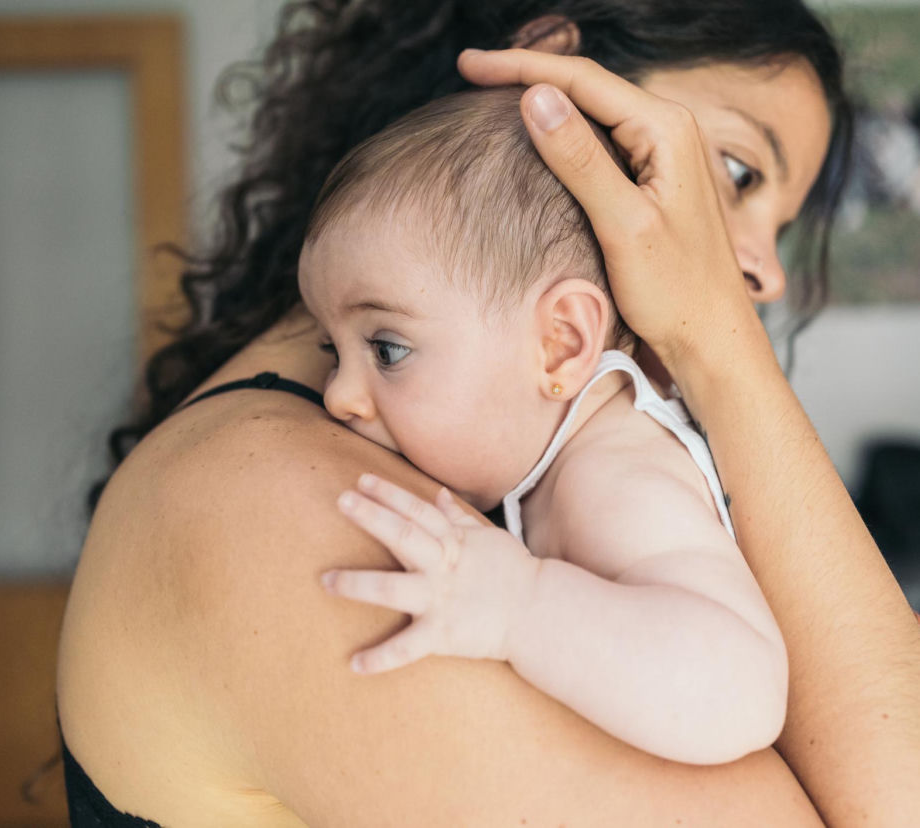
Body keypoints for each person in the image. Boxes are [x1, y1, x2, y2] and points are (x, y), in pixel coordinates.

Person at [57, 2, 920, 826]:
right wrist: (719, 343)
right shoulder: (275, 503)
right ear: (552, 78)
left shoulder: (498, 457)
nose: (766, 274)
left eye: (782, 225)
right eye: (737, 171)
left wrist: (716, 342)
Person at [299, 86, 787, 766]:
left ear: (561, 343)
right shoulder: (560, 462)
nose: (338, 396)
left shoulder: (614, 479)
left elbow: (740, 692)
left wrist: (520, 606)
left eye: (386, 348)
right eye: (332, 350)